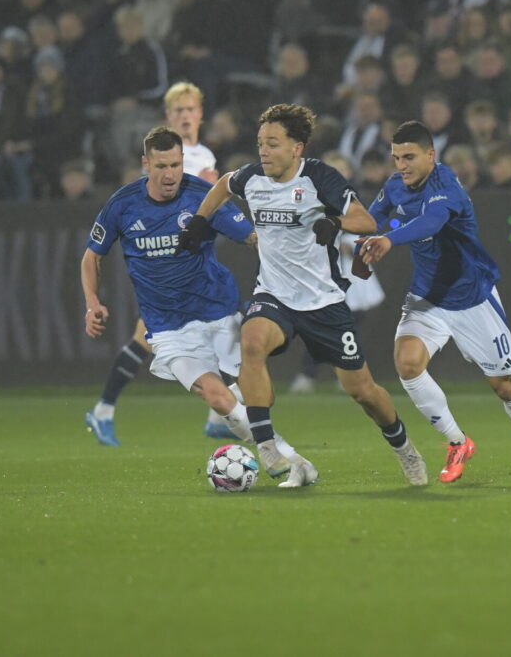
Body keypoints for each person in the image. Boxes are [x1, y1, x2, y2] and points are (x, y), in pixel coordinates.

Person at [178, 104, 429, 489]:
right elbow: (225, 184)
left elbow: (367, 221)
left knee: (363, 392)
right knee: (252, 341)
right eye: (261, 143)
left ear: (296, 148)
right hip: (274, 293)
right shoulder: (252, 178)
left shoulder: (319, 178)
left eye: (273, 144)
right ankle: (267, 448)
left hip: (323, 303)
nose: (263, 151)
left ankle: (404, 447)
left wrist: (333, 222)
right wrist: (199, 219)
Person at [81, 126, 302, 480]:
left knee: (258, 394)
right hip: (167, 327)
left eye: (176, 165)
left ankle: (290, 459)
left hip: (217, 312)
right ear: (145, 164)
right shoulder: (122, 205)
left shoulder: (204, 196)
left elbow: (251, 237)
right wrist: (92, 302)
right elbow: (92, 257)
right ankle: (277, 454)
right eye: (161, 166)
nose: (170, 175)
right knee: (217, 398)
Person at [356, 121, 511, 483]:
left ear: (431, 155)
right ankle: (457, 441)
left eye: (410, 156)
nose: (402, 164)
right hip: (427, 297)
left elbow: (430, 223)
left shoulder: (445, 187)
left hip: (471, 297)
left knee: (505, 386)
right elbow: (370, 219)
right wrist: (347, 231)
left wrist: (389, 240)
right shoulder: (394, 186)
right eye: (397, 157)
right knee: (407, 364)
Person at [86, 82, 230, 445]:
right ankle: (103, 409)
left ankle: (216, 415)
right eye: (177, 110)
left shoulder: (205, 155)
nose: (184, 115)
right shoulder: (162, 160)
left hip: (196, 268)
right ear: (169, 116)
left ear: (200, 114)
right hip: (164, 269)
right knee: (148, 340)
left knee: (208, 340)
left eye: (190, 109)